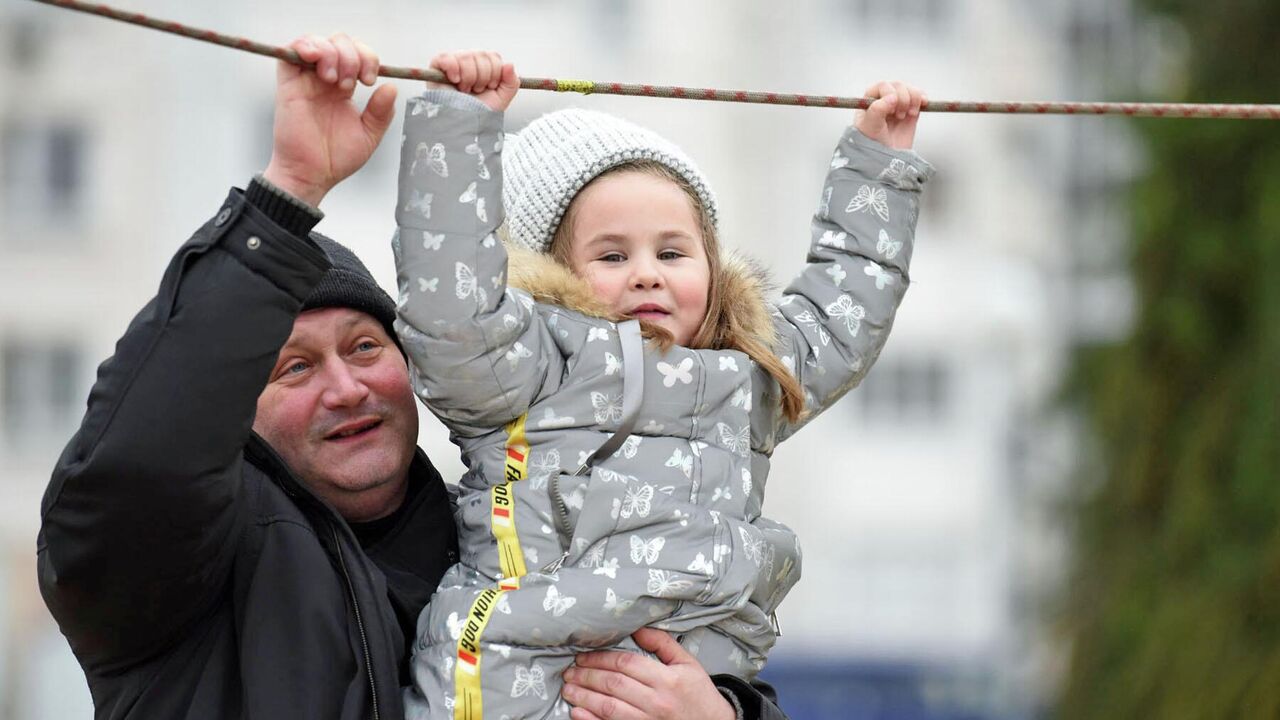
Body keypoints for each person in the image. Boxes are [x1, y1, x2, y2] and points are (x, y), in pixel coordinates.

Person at [36, 35, 789, 720]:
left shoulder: (510, 538)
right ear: (236, 403)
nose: (345, 387)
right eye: (292, 367)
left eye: (365, 348)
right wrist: (289, 191)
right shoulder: (180, 567)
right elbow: (137, 458)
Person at [394, 51, 931, 719]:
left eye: (671, 252)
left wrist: (877, 165)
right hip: (522, 681)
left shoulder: (751, 374)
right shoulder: (533, 366)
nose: (647, 273)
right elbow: (449, 306)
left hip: (685, 689)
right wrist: (459, 126)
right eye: (612, 256)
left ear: (712, 265)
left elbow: (843, 313)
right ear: (555, 270)